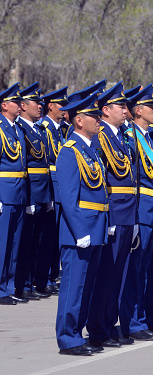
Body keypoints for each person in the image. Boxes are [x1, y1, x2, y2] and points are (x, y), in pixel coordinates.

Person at [55, 93, 108, 356]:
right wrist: (80, 231)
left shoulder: (91, 150)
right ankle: (68, 338)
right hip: (80, 231)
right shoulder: (69, 151)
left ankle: (78, 333)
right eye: (94, 116)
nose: (99, 120)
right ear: (78, 120)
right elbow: (68, 196)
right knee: (74, 286)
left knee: (87, 286)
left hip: (96, 227)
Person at [86, 82, 138, 347]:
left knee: (119, 273)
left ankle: (108, 323)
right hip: (114, 212)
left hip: (128, 211)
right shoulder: (101, 136)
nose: (126, 111)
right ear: (105, 110)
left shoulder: (122, 137)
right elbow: (98, 180)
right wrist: (105, 217)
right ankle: (97, 327)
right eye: (121, 106)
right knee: (106, 273)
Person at [119, 84, 153, 340]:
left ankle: (144, 319)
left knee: (146, 270)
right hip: (140, 211)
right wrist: (134, 217)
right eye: (151, 107)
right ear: (137, 111)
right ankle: (132, 323)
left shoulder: (149, 138)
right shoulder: (131, 138)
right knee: (135, 271)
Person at [15, 83, 52, 300]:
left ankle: (30, 283)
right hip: (29, 191)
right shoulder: (21, 129)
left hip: (43, 191)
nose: (40, 106)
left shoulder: (39, 129)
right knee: (25, 242)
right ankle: (21, 284)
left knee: (37, 241)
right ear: (23, 106)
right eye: (36, 103)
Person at [0, 83, 27, 305]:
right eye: (16, 103)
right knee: (2, 243)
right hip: (4, 193)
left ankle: (8, 287)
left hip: (19, 192)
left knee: (14, 243)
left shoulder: (18, 130)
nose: (20, 106)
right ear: (4, 105)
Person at [40, 86, 69, 293]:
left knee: (55, 236)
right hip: (52, 185)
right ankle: (43, 278)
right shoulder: (45, 127)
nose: (64, 109)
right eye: (61, 105)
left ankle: (50, 277)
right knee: (47, 237)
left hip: (60, 186)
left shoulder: (59, 129)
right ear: (50, 106)